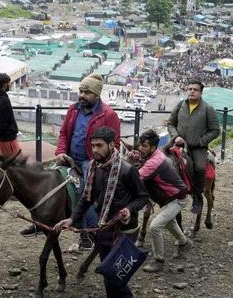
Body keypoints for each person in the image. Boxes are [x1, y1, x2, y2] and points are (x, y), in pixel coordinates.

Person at [54, 127, 149, 298]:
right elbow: (86, 199)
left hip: (124, 232)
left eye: (99, 145)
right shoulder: (93, 168)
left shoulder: (127, 170)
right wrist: (72, 219)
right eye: (93, 146)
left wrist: (129, 209)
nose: (95, 150)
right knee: (109, 275)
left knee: (115, 278)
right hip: (104, 229)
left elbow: (142, 197)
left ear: (112, 145)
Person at [53, 74, 121, 246]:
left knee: (85, 192)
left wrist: (102, 166)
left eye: (87, 92)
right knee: (50, 180)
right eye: (81, 91)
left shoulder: (108, 114)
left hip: (91, 162)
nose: (82, 95)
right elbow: (63, 134)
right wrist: (60, 152)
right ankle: (45, 224)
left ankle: (88, 234)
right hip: (69, 157)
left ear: (97, 94)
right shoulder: (73, 109)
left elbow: (115, 144)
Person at [136, 130, 193, 273]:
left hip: (177, 199)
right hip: (171, 198)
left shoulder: (154, 162)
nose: (140, 148)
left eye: (144, 146)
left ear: (153, 148)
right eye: (139, 145)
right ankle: (184, 243)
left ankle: (158, 261)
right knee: (169, 222)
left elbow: (136, 178)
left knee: (155, 226)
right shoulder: (155, 155)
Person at [167, 79, 220, 215]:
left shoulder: (208, 109)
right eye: (189, 89)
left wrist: (201, 141)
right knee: (161, 160)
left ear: (201, 92)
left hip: (198, 148)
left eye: (195, 89)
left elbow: (215, 130)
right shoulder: (180, 105)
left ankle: (197, 198)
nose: (191, 91)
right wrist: (175, 136)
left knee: (200, 168)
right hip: (177, 143)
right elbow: (171, 124)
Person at [0, 73, 21, 158]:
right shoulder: (3, 99)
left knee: (9, 160)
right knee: (15, 160)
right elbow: (2, 121)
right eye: (9, 82)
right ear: (5, 84)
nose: (10, 84)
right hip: (7, 137)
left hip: (3, 137)